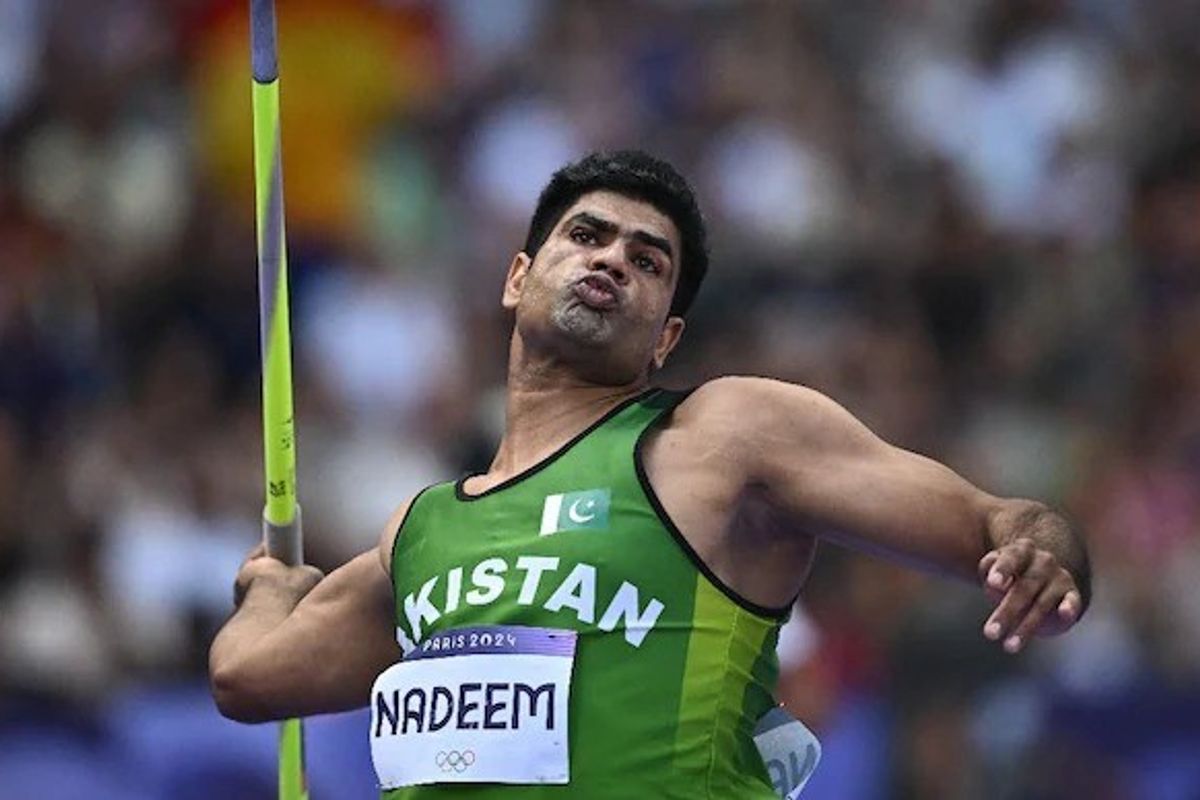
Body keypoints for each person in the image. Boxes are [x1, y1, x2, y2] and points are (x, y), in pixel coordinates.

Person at [210, 150, 1091, 799]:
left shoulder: (719, 441)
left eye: (647, 260)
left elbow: (994, 521)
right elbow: (248, 676)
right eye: (586, 236)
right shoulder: (422, 530)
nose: (610, 261)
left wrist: (1039, 547)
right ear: (518, 278)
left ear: (666, 337)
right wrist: (268, 591)